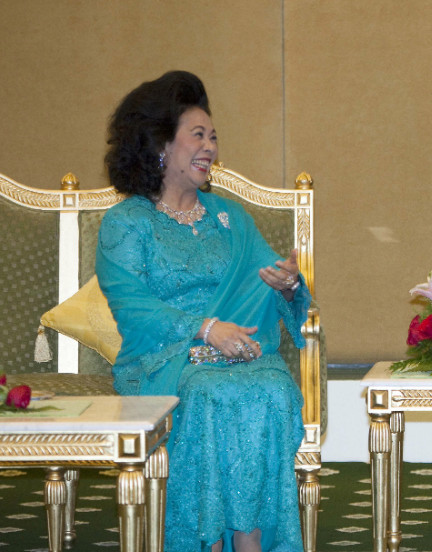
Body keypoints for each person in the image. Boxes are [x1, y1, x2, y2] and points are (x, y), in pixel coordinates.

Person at [96, 71, 311, 552]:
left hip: (241, 354)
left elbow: (279, 286)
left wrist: (289, 284)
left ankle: (250, 541)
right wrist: (205, 329)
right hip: (165, 360)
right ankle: (207, 543)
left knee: (274, 388)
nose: (210, 146)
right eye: (198, 135)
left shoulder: (229, 219)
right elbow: (132, 308)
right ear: (160, 145)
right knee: (210, 394)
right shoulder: (127, 222)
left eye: (213, 137)